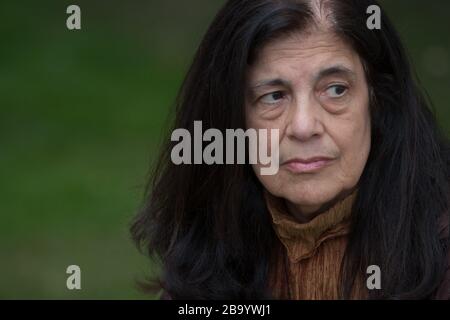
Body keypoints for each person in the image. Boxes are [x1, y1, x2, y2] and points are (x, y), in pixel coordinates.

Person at [130, 0, 450, 299]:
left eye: (335, 90)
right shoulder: (208, 257)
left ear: (377, 100)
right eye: (273, 96)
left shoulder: (441, 251)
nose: (303, 126)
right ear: (233, 120)